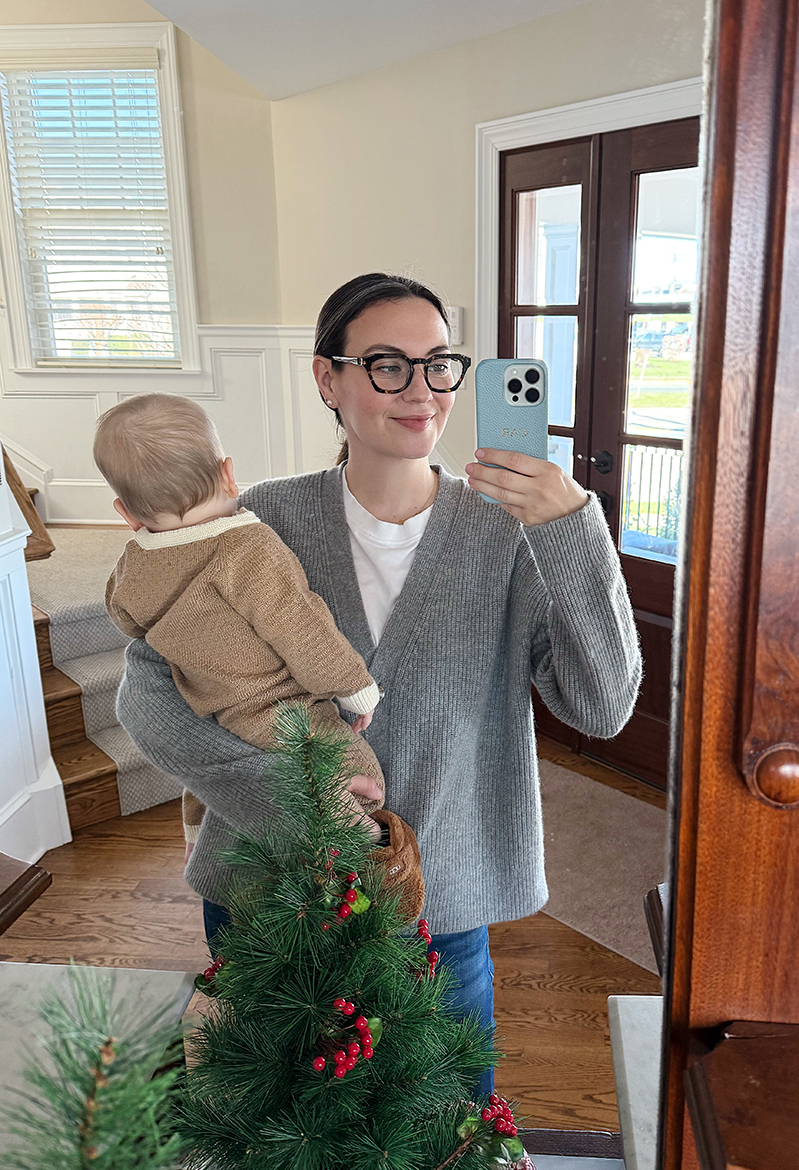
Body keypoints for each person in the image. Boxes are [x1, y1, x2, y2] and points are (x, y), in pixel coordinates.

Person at [116, 272, 642, 1098]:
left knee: (445, 1132)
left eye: (438, 364)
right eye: (386, 364)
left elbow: (602, 706)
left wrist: (572, 527)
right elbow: (147, 693)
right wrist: (304, 801)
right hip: (271, 888)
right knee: (276, 1125)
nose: (420, 389)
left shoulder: (512, 531)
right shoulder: (257, 518)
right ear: (327, 378)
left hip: (442, 899)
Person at [93, 392, 389, 840]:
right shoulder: (246, 547)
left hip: (215, 712)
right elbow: (301, 627)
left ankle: (198, 833)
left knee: (211, 779)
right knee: (362, 779)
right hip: (283, 707)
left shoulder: (133, 567)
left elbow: (126, 619)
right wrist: (354, 688)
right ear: (228, 475)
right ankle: (352, 855)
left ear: (126, 514)